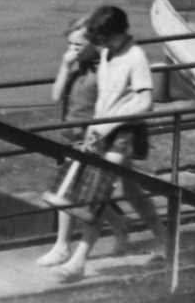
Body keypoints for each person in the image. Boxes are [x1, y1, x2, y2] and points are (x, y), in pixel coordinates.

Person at [46, 5, 170, 280]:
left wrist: (108, 124)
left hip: (124, 130)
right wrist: (95, 126)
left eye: (99, 38)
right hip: (102, 129)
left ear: (111, 35)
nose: (96, 43)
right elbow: (104, 95)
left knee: (99, 188)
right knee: (129, 188)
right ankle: (164, 238)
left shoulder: (135, 57)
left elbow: (145, 101)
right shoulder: (108, 53)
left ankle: (78, 261)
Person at [36, 17, 130, 267]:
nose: (74, 49)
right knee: (76, 192)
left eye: (79, 44)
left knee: (75, 193)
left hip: (92, 141)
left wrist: (100, 134)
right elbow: (56, 96)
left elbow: (111, 106)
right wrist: (65, 66)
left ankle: (62, 246)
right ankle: (119, 225)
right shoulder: (74, 66)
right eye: (70, 44)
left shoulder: (104, 68)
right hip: (70, 136)